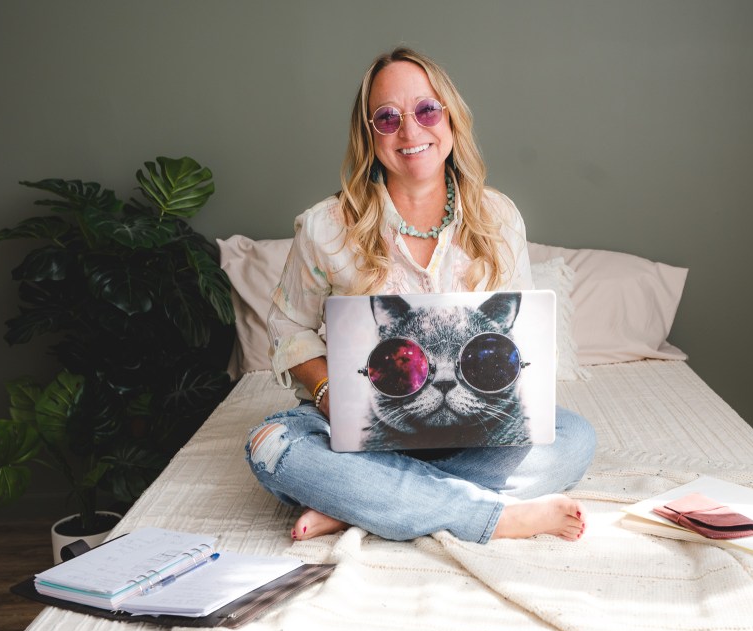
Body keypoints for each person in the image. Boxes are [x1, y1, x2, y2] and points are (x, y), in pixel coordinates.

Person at [246, 47, 596, 545]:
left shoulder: (499, 217)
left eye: (427, 110)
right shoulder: (327, 225)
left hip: (476, 431)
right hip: (365, 430)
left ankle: (361, 502)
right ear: (370, 134)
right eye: (388, 118)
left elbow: (521, 341)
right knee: (273, 446)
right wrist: (330, 396)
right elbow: (288, 326)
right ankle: (481, 514)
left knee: (575, 438)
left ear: (450, 118)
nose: (410, 132)